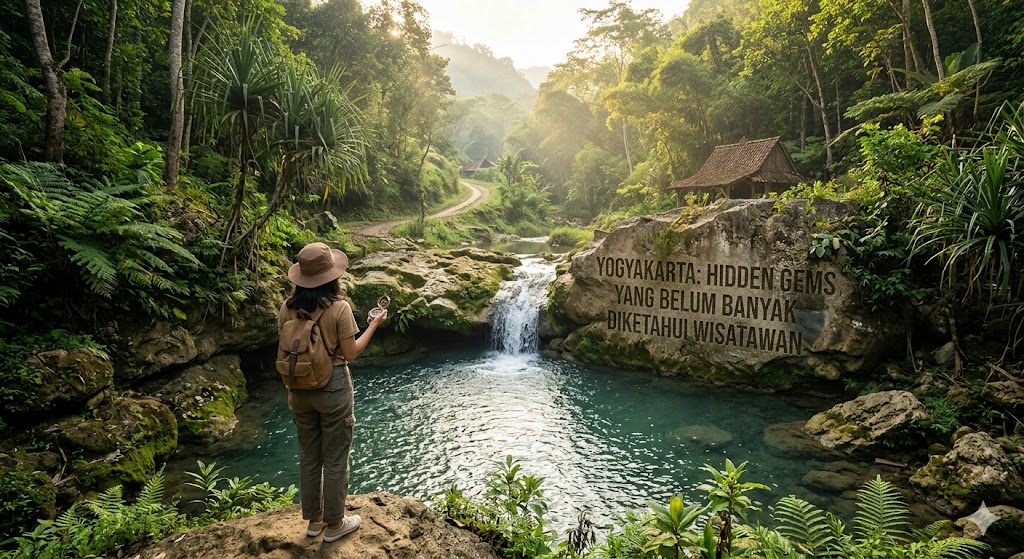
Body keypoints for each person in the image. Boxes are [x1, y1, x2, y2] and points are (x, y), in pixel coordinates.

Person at [278, 242, 388, 543]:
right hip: (334, 387)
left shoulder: (286, 308)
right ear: (332, 276)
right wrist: (374, 325)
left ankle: (314, 522)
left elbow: (288, 351)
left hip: (298, 388)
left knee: (309, 457)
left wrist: (289, 388)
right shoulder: (339, 308)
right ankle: (335, 524)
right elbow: (350, 353)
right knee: (336, 458)